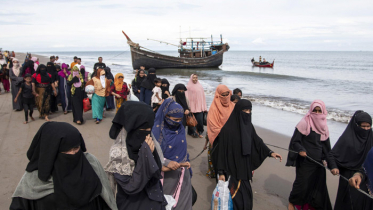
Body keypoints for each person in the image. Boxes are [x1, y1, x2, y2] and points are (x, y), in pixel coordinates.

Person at [10, 122, 117, 210]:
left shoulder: (91, 163)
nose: (73, 154)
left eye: (76, 148)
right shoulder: (33, 178)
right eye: (67, 151)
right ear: (51, 153)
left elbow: (104, 200)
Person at [211, 99, 282, 210]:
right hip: (231, 170)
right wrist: (221, 172)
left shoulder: (249, 126)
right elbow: (221, 152)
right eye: (245, 110)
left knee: (246, 200)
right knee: (233, 201)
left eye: (249, 110)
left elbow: (257, 141)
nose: (248, 113)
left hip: (244, 169)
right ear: (238, 111)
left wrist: (270, 152)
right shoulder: (227, 130)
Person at [105, 101, 167, 210]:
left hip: (155, 201)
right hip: (131, 204)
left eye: (150, 130)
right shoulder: (119, 152)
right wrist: (146, 156)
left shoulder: (150, 143)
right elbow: (130, 187)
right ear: (131, 129)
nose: (147, 135)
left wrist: (152, 154)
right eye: (143, 130)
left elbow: (157, 172)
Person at [286, 100, 332, 210]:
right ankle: (292, 203)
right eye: (314, 111)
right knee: (302, 184)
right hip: (305, 161)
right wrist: (300, 150)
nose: (316, 113)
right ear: (310, 110)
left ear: (323, 112)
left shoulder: (324, 126)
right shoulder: (304, 123)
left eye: (319, 111)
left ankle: (311, 205)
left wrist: (329, 162)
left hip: (318, 163)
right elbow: (295, 142)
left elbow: (326, 147)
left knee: (317, 185)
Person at [152, 98, 193, 210]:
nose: (178, 122)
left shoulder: (180, 129)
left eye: (180, 119)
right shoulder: (157, 132)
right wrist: (167, 162)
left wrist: (187, 165)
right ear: (166, 116)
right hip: (166, 176)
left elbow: (183, 148)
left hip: (182, 173)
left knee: (183, 203)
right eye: (175, 119)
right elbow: (152, 154)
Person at [328, 111, 373, 210]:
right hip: (348, 177)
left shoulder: (371, 138)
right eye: (363, 126)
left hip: (366, 178)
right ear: (357, 126)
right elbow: (332, 155)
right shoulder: (347, 138)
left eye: (368, 126)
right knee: (347, 204)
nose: (366, 129)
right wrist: (334, 167)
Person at [205, 84, 235, 178]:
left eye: (227, 94)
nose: (226, 97)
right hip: (218, 138)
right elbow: (213, 126)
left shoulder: (233, 106)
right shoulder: (214, 108)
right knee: (218, 161)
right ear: (218, 95)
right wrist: (225, 132)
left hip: (232, 139)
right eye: (223, 95)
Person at [185, 74, 207, 138]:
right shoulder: (188, 87)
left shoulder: (200, 87)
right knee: (191, 121)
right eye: (194, 78)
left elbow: (203, 97)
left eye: (196, 78)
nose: (195, 79)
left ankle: (200, 132)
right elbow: (186, 97)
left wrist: (204, 107)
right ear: (191, 78)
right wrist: (187, 107)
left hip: (199, 107)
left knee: (200, 121)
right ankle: (192, 132)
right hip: (191, 107)